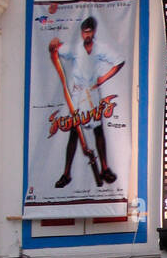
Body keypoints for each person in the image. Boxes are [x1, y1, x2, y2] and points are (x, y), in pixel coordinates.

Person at [50, 16, 124, 188]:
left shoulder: (100, 48)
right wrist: (54, 44)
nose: (86, 35)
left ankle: (105, 168)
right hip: (77, 95)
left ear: (94, 32)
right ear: (82, 33)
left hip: (92, 93)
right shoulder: (75, 48)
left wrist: (103, 78)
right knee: (74, 133)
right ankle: (66, 173)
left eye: (89, 32)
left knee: (98, 130)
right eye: (84, 32)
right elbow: (57, 49)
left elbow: (119, 61)